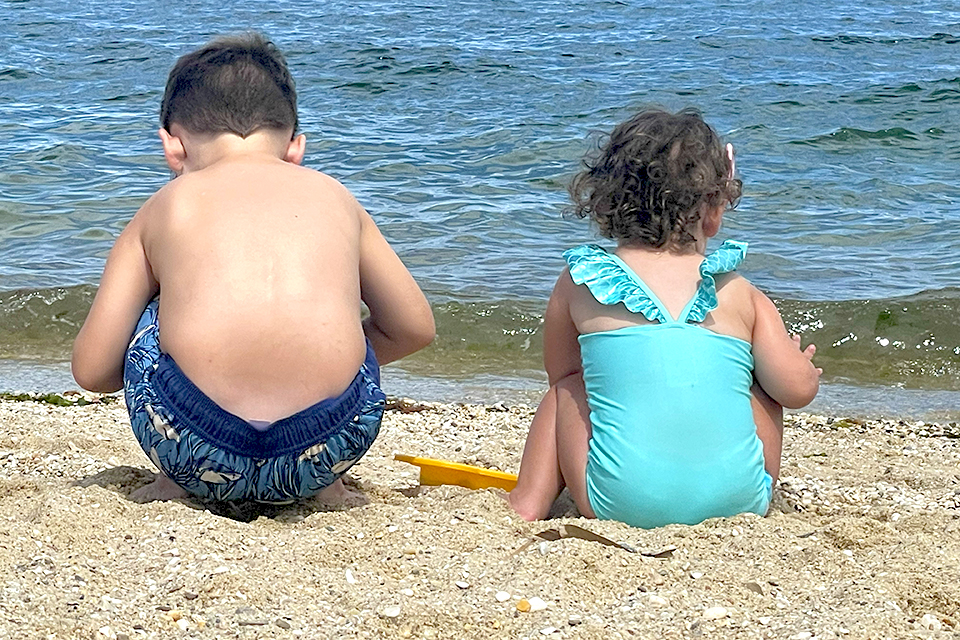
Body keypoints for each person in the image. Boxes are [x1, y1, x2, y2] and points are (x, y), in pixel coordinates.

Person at [72, 33, 435, 504]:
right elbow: (413, 328)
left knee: (156, 313)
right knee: (337, 321)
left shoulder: (162, 207)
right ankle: (329, 485)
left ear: (172, 147)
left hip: (194, 452)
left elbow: (93, 369)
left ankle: (170, 481)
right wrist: (324, 344)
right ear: (295, 148)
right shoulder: (337, 198)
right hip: (327, 451)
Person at [508, 108, 821, 528]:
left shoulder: (582, 280)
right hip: (740, 501)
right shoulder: (739, 292)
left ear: (606, 202)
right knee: (763, 383)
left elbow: (561, 373)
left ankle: (529, 501)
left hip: (616, 503)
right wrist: (801, 369)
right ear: (713, 209)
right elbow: (796, 392)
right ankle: (735, 484)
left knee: (569, 387)